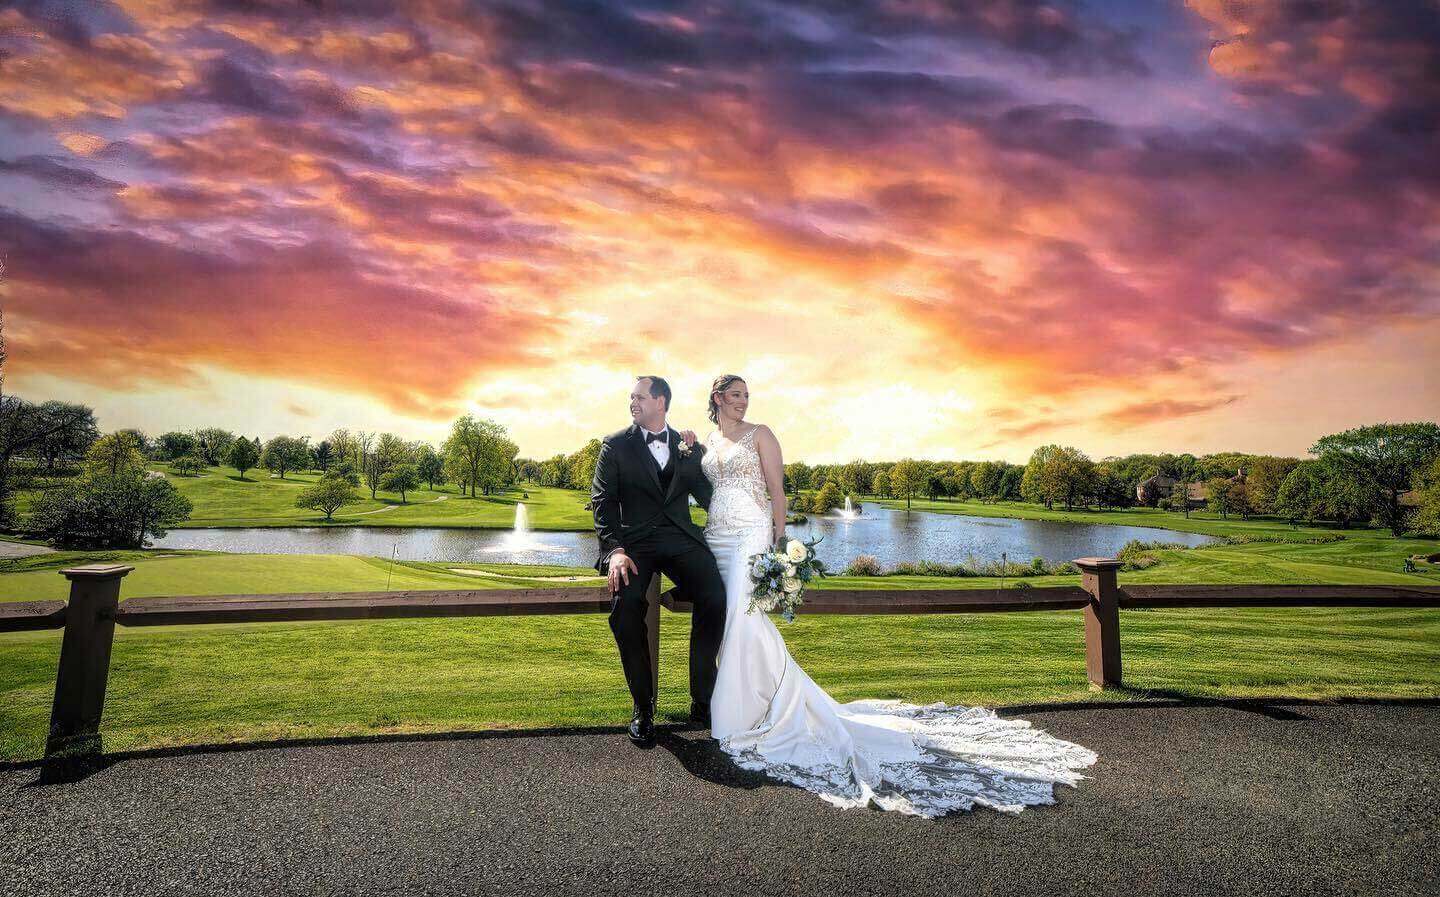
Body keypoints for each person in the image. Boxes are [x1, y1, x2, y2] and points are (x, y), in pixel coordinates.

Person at [693, 373, 1100, 816]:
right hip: (717, 536)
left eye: (748, 396)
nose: (744, 403)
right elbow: (704, 484)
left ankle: (745, 715)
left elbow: (778, 491)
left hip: (751, 536)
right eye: (736, 396)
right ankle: (755, 702)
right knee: (737, 621)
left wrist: (775, 545)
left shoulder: (762, 434)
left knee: (742, 616)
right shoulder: (709, 443)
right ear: (718, 398)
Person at [590, 375, 727, 746]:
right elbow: (602, 502)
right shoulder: (615, 445)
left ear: (661, 402)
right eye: (631, 398)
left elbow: (708, 497)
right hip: (635, 545)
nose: (631, 403)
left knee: (716, 593)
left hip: (680, 539)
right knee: (625, 607)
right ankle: (643, 706)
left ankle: (703, 698)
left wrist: (744, 526)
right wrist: (615, 551)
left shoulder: (687, 447)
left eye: (639, 397)